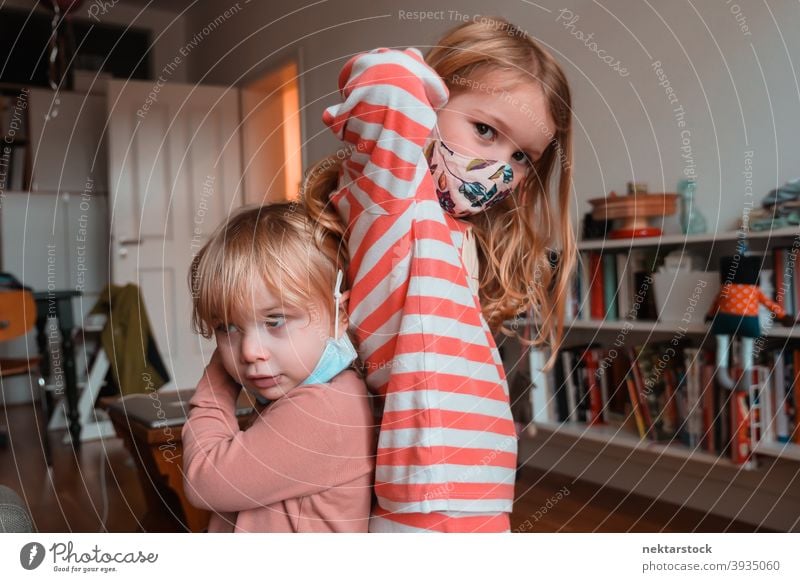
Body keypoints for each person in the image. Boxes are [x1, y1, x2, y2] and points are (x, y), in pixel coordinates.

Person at [302, 16, 576, 533]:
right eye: (485, 130)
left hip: (483, 485)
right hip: (426, 483)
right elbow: (386, 80)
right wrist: (422, 95)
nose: (499, 168)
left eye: (521, 157)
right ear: (433, 102)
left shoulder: (460, 232)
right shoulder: (393, 191)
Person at [181, 203, 376, 533]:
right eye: (227, 328)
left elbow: (203, 480)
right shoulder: (313, 393)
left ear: (339, 316)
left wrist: (217, 380)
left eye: (275, 321)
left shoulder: (325, 410)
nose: (249, 352)